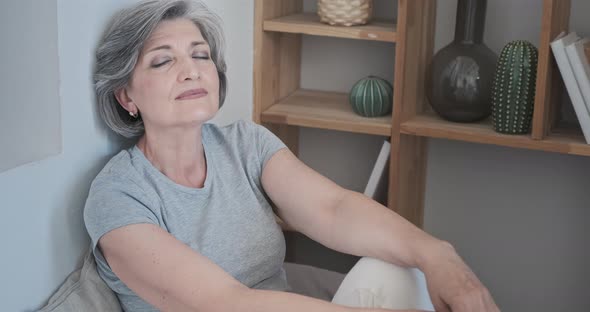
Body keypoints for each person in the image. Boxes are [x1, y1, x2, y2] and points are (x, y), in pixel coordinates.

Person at [84, 0, 500, 311]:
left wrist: (438, 254)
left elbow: (334, 209)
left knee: (402, 266)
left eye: (200, 54)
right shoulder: (119, 196)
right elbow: (228, 303)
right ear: (126, 95)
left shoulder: (245, 144)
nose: (191, 70)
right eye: (162, 61)